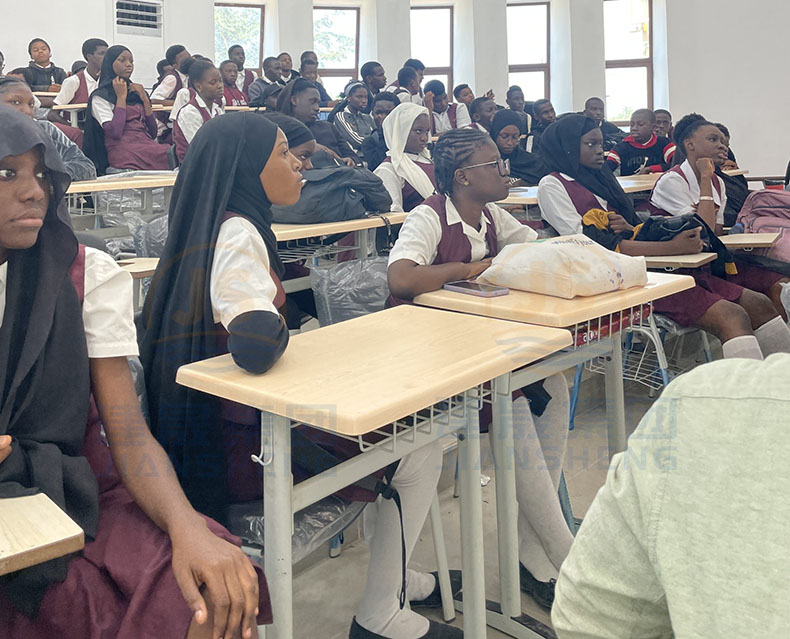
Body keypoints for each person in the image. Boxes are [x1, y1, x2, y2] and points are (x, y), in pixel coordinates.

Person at [140, 112, 456, 639]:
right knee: (421, 443)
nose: (299, 166)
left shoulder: (214, 222)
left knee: (405, 433)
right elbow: (256, 343)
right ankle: (382, 612)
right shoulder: (239, 233)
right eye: (285, 153)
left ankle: (402, 580)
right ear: (248, 168)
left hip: (220, 430)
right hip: (245, 451)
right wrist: (279, 320)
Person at [0, 105, 270, 639]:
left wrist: (187, 525)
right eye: (7, 174)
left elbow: (126, 432)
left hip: (78, 489)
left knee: (212, 595)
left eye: (41, 175)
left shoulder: (81, 275)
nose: (34, 192)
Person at [387, 127, 575, 608]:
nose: (505, 169)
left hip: (481, 346)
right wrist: (469, 269)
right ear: (464, 177)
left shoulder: (491, 215)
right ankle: (566, 555)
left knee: (551, 383)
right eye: (494, 164)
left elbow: (535, 248)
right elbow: (402, 277)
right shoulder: (428, 217)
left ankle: (533, 550)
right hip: (429, 357)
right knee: (511, 398)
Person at [552, 355, 790, 638]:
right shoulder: (700, 403)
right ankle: (548, 547)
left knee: (546, 388)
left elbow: (587, 621)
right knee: (734, 316)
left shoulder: (701, 402)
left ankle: (549, 547)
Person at [537, 114, 790, 360]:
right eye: (590, 144)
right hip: (617, 282)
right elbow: (588, 247)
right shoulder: (553, 185)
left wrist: (630, 227)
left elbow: (633, 227)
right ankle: (753, 395)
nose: (600, 151)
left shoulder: (601, 179)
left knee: (758, 303)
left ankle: (780, 382)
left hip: (655, 268)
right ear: (567, 147)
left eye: (601, 144)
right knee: (732, 316)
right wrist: (673, 247)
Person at [651, 113, 790, 321]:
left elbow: (715, 233)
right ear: (690, 145)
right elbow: (704, 229)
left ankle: (781, 351)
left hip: (712, 260)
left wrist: (709, 180)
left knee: (780, 285)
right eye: (713, 140)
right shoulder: (672, 181)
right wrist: (706, 177)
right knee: (753, 305)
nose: (722, 146)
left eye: (724, 142)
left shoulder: (719, 183)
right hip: (681, 270)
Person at [84, 45, 169, 175]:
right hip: (122, 148)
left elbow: (152, 133)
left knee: (171, 152)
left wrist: (145, 100)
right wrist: (121, 98)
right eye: (122, 60)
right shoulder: (100, 96)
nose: (128, 65)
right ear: (110, 63)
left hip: (145, 144)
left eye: (131, 61)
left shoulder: (135, 92)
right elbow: (115, 132)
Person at [0, 77, 96, 180]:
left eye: (31, 104)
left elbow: (87, 167)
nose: (27, 111)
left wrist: (47, 173)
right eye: (16, 102)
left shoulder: (46, 131)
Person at [276, 77, 358, 165]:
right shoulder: (279, 132)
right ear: (294, 100)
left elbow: (355, 159)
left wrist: (349, 161)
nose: (317, 108)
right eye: (312, 102)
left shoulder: (328, 128)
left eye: (318, 103)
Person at [374, 102, 435, 211]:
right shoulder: (389, 169)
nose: (424, 138)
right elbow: (394, 215)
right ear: (401, 131)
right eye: (418, 131)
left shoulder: (430, 160)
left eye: (427, 131)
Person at [173, 60, 225, 163]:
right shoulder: (189, 113)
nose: (220, 85)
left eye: (220, 80)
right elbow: (202, 148)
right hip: (194, 168)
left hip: (214, 163)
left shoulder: (217, 110)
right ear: (198, 87)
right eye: (213, 82)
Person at [49, 38, 108, 128]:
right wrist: (75, 130)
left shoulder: (109, 80)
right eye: (101, 54)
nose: (106, 57)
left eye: (107, 54)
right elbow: (52, 114)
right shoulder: (73, 81)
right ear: (89, 56)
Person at [605, 108, 675, 176]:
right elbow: (607, 168)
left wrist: (650, 169)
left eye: (640, 124)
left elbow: (678, 163)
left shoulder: (665, 143)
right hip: (631, 187)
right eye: (632, 125)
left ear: (653, 127)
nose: (634, 128)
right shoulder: (621, 147)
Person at [490, 109, 547, 185]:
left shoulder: (533, 162)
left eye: (515, 137)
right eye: (504, 136)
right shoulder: (486, 163)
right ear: (495, 134)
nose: (510, 142)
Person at [713, 122, 749, 227]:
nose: (724, 149)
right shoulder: (707, 177)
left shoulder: (728, 154)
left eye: (726, 145)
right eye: (720, 146)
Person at [361, 91, 399, 171]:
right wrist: (384, 132)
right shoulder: (370, 142)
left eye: (388, 113)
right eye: (378, 112)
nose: (383, 117)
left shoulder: (408, 138)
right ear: (372, 114)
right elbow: (377, 165)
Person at [333, 81, 374, 154]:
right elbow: (356, 141)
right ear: (348, 98)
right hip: (354, 158)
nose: (364, 101)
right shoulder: (341, 116)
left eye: (365, 97)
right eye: (359, 97)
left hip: (370, 155)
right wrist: (374, 141)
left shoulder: (368, 117)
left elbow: (378, 136)